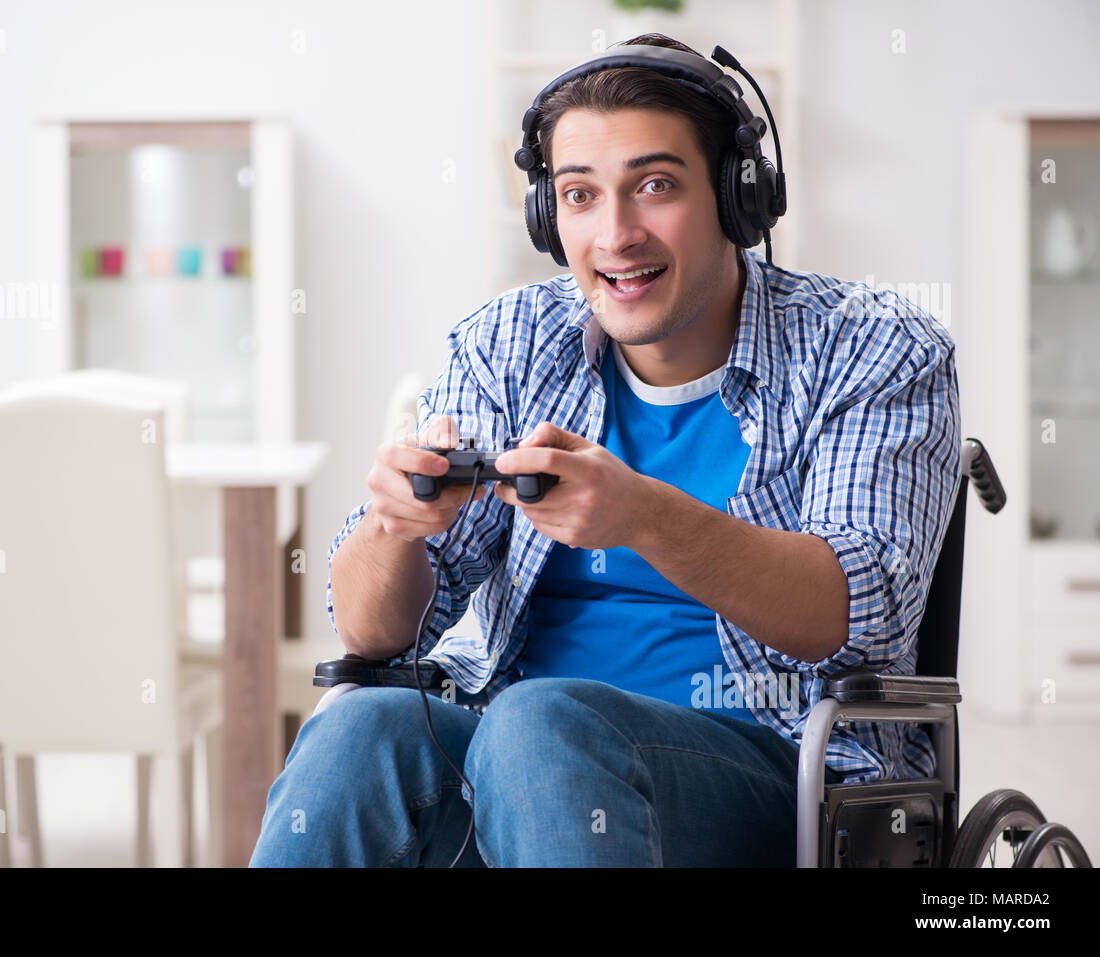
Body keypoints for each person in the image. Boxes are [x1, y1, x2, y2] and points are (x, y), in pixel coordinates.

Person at [249, 33, 962, 867]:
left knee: (544, 723)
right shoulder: (509, 342)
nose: (616, 234)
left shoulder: (872, 346)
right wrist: (395, 525)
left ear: (739, 197)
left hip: (771, 771)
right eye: (580, 196)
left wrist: (644, 514)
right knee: (362, 723)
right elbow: (371, 637)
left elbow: (857, 618)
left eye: (654, 186)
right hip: (514, 764)